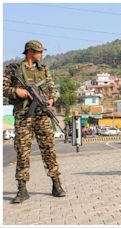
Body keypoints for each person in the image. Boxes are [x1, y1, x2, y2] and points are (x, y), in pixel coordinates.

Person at [3, 40, 66, 203]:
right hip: (23, 116)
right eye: (39, 52)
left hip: (42, 116)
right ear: (30, 51)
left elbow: (53, 90)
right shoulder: (13, 70)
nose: (42, 55)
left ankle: (56, 184)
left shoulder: (43, 70)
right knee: (22, 152)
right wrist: (16, 91)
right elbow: (3, 89)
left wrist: (52, 99)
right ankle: (22, 189)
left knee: (49, 150)